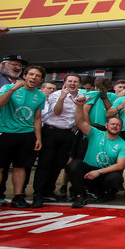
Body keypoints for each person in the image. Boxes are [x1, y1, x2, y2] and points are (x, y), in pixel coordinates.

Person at [0, 65, 46, 210]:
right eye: (31, 74)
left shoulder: (40, 95)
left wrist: (38, 138)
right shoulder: (8, 87)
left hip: (26, 134)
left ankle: (18, 197)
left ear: (41, 80)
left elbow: (37, 118)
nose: (33, 78)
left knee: (20, 167)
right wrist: (13, 89)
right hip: (5, 132)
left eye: (37, 76)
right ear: (24, 76)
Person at [61, 95, 125, 209]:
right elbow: (80, 121)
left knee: (116, 178)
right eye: (112, 124)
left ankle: (100, 191)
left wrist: (99, 171)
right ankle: (80, 195)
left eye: (118, 125)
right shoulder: (95, 133)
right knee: (73, 165)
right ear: (106, 125)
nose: (115, 126)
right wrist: (79, 107)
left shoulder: (123, 144)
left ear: (121, 128)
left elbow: (120, 165)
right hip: (88, 171)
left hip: (103, 174)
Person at [31, 74, 84, 207]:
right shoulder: (56, 95)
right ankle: (38, 193)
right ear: (65, 82)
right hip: (51, 132)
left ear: (79, 84)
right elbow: (57, 112)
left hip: (67, 134)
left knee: (58, 164)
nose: (72, 83)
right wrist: (62, 98)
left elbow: (78, 117)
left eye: (75, 82)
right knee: (45, 163)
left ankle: (49, 191)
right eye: (70, 81)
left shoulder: (81, 97)